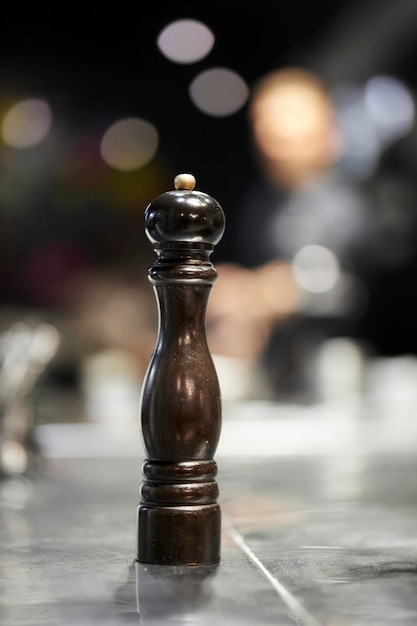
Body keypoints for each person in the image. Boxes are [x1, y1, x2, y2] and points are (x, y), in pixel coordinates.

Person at [206, 67, 378, 401]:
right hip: (278, 376)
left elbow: (336, 282)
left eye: (290, 116)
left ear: (327, 127)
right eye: (264, 119)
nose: (273, 130)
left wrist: (261, 293)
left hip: (337, 376)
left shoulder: (346, 203)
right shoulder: (262, 203)